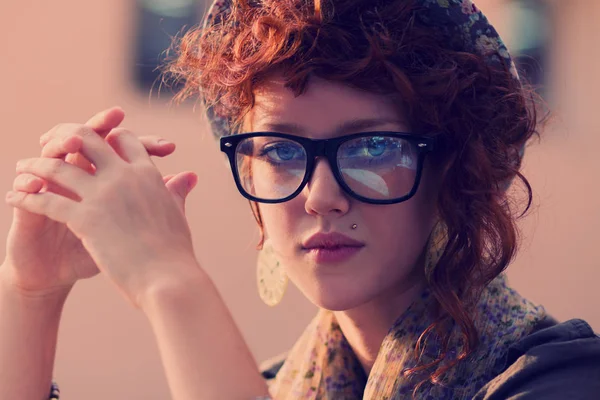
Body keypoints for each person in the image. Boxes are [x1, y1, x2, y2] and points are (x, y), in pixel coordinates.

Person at [1, 0, 598, 399]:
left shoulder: (559, 380)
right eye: (281, 152)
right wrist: (31, 295)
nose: (320, 196)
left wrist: (168, 279)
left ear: (451, 170)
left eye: (369, 149)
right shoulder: (263, 385)